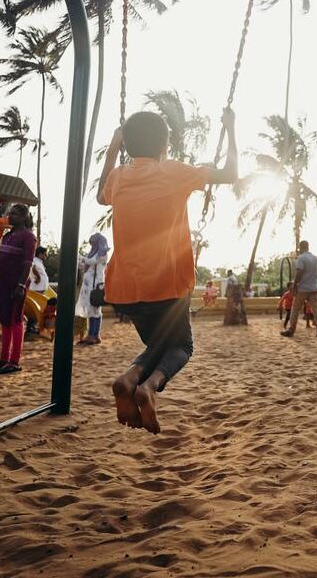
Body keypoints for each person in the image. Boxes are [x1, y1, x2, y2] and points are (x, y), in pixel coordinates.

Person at [98, 106, 238, 434]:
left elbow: (99, 195)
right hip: (166, 287)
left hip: (125, 291)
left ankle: (132, 378)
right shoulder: (174, 172)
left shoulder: (119, 178)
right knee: (182, 346)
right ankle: (147, 387)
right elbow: (230, 173)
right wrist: (230, 128)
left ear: (128, 145)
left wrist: (112, 149)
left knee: (159, 345)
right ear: (164, 148)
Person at [0, 203, 37, 374]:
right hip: (2, 284)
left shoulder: (28, 237)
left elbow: (28, 264)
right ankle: (3, 358)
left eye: (14, 214)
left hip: (15, 285)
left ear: (23, 217)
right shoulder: (7, 236)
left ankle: (14, 361)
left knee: (15, 319)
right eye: (9, 213)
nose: (10, 216)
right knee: (5, 320)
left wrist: (21, 285)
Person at [282, 241, 317, 337]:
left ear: (301, 247)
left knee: (295, 309)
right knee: (315, 309)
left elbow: (299, 272)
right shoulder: (315, 258)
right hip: (313, 287)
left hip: (303, 288)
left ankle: (291, 330)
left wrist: (295, 285)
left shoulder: (301, 258)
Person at [76, 233, 110, 345]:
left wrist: (80, 257)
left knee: (95, 310)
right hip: (89, 285)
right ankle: (92, 335)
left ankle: (94, 335)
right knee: (91, 310)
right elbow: (84, 265)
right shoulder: (93, 254)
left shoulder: (102, 254)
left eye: (93, 243)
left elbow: (91, 261)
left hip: (95, 285)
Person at [25, 245, 49, 336]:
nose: (46, 256)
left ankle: (32, 326)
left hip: (40, 288)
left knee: (38, 308)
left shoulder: (39, 262)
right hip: (37, 288)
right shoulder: (35, 261)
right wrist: (38, 277)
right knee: (35, 308)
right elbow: (33, 268)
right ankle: (30, 327)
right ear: (40, 254)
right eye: (45, 254)